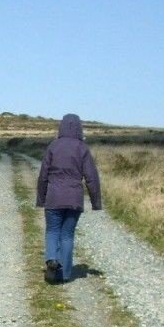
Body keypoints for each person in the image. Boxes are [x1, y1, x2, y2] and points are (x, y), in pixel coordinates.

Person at [35, 113, 102, 283]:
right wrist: (96, 202)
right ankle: (64, 275)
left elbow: (43, 175)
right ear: (79, 128)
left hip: (54, 197)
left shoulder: (53, 146)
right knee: (67, 235)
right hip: (74, 198)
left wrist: (41, 198)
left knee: (52, 231)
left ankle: (51, 259)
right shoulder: (83, 148)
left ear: (61, 127)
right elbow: (91, 177)